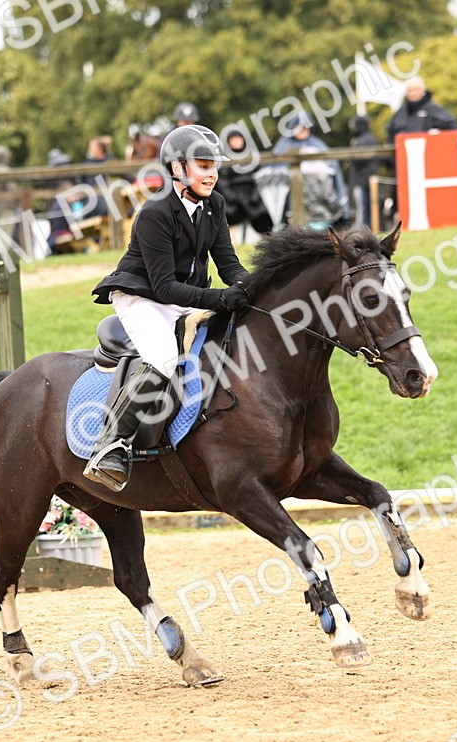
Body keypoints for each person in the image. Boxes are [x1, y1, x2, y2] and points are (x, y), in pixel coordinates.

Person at [85, 124, 252, 490]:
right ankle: (109, 444)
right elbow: (163, 286)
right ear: (177, 169)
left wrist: (253, 285)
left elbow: (228, 265)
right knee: (163, 358)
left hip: (183, 294)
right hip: (143, 296)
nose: (213, 174)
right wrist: (221, 298)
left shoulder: (215, 205)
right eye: (204, 166)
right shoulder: (155, 213)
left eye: (215, 166)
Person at [272, 110, 349, 226]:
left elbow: (333, 172)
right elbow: (276, 171)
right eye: (300, 127)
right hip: (292, 197)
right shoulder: (283, 146)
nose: (303, 130)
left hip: (319, 197)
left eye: (306, 127)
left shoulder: (318, 145)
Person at [219, 130, 273, 236]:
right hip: (232, 198)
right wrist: (231, 196)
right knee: (222, 219)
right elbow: (222, 181)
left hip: (253, 196)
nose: (236, 142)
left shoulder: (253, 156)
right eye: (233, 139)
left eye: (238, 138)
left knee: (264, 220)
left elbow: (260, 177)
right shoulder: (224, 158)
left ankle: (269, 241)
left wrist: (254, 196)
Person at [385, 76, 457, 144]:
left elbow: (452, 126)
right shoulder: (401, 112)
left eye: (416, 90)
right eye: (410, 90)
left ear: (423, 91)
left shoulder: (432, 109)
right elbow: (390, 132)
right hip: (403, 153)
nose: (413, 93)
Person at [347, 115, 381, 229]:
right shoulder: (362, 139)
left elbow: (358, 159)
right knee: (363, 206)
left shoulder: (366, 139)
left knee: (362, 207)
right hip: (362, 180)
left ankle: (362, 229)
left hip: (363, 181)